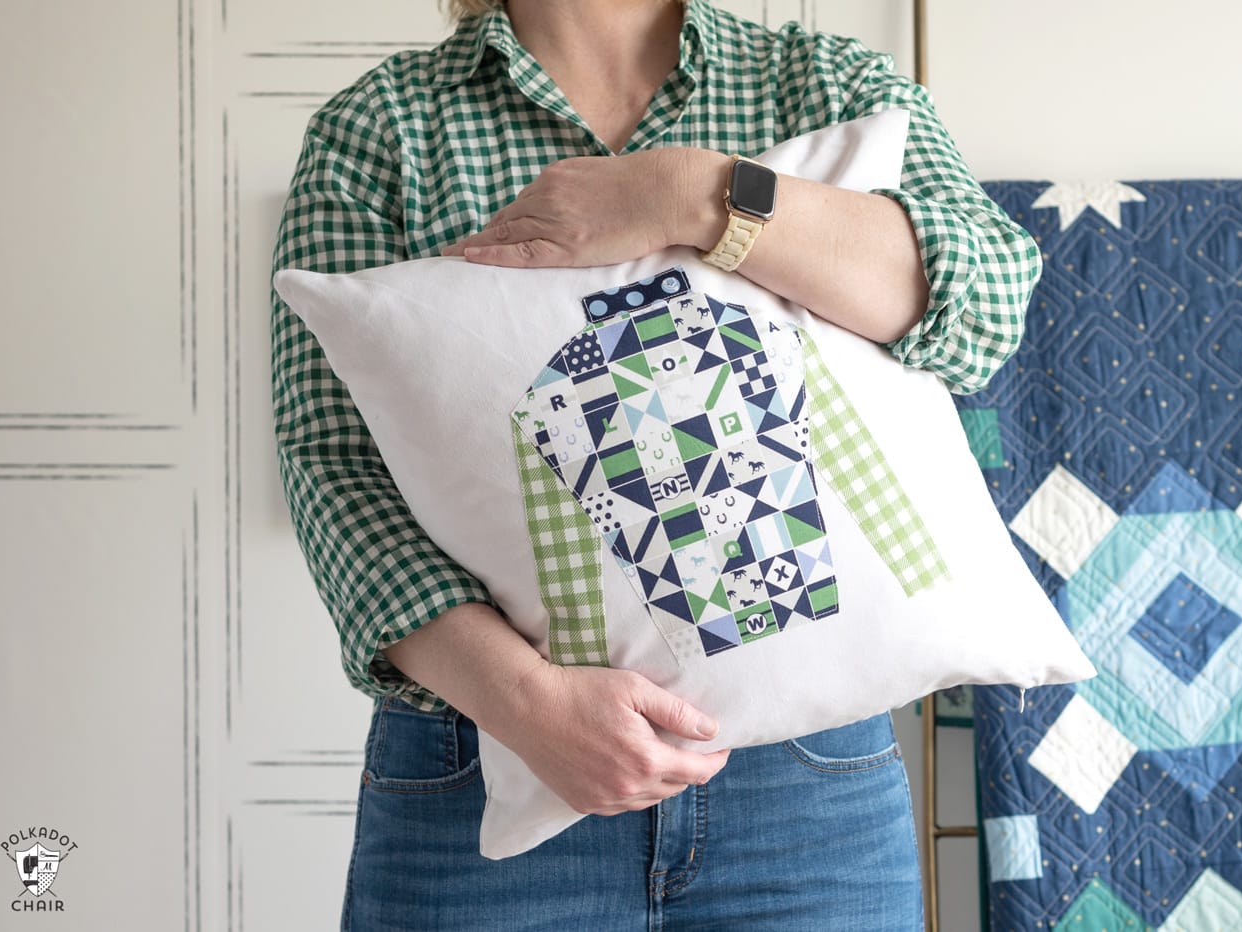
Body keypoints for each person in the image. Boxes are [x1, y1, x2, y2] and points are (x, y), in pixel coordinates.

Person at [269, 0, 1042, 927]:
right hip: (487, 763)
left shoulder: (824, 83)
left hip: (807, 791)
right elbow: (334, 466)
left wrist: (689, 194)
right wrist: (526, 702)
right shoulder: (384, 128)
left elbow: (985, 310)